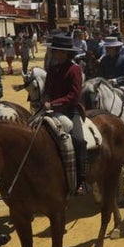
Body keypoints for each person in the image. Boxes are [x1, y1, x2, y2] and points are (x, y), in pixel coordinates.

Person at [42, 34, 88, 194]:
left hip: (70, 111)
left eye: (56, 51)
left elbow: (73, 96)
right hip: (50, 110)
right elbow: (47, 89)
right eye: (53, 50)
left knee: (79, 140)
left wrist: (53, 103)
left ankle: (82, 180)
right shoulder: (52, 69)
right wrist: (46, 98)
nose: (53, 53)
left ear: (65, 52)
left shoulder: (75, 69)